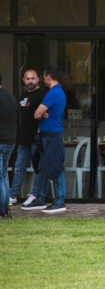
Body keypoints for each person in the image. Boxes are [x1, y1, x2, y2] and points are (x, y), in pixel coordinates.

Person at [22, 67, 67, 214]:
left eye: (44, 76)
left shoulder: (53, 93)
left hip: (52, 135)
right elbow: (41, 113)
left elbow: (37, 114)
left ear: (48, 77)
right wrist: (43, 112)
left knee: (55, 166)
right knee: (42, 167)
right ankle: (40, 198)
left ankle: (60, 200)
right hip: (47, 134)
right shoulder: (57, 92)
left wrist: (42, 112)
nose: (44, 79)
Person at [9, 69, 45, 206]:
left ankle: (35, 195)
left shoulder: (42, 94)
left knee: (38, 168)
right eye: (28, 79)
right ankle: (12, 195)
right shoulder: (23, 95)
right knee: (19, 168)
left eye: (33, 78)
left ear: (38, 79)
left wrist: (41, 128)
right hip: (23, 139)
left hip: (36, 139)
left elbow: (48, 112)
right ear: (23, 80)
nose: (30, 81)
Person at [0, 72, 21, 219]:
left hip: (1, 141)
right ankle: (6, 209)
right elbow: (19, 119)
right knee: (3, 175)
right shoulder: (11, 96)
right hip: (10, 141)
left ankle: (2, 210)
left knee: (0, 176)